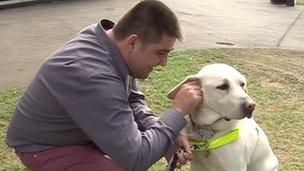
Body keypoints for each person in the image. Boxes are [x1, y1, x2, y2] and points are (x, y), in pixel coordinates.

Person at [6, 0, 203, 170]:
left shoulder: (110, 43)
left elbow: (132, 100)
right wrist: (176, 113)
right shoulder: (91, 74)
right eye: (160, 53)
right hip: (44, 146)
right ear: (133, 42)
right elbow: (136, 159)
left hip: (77, 131)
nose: (164, 62)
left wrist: (165, 135)